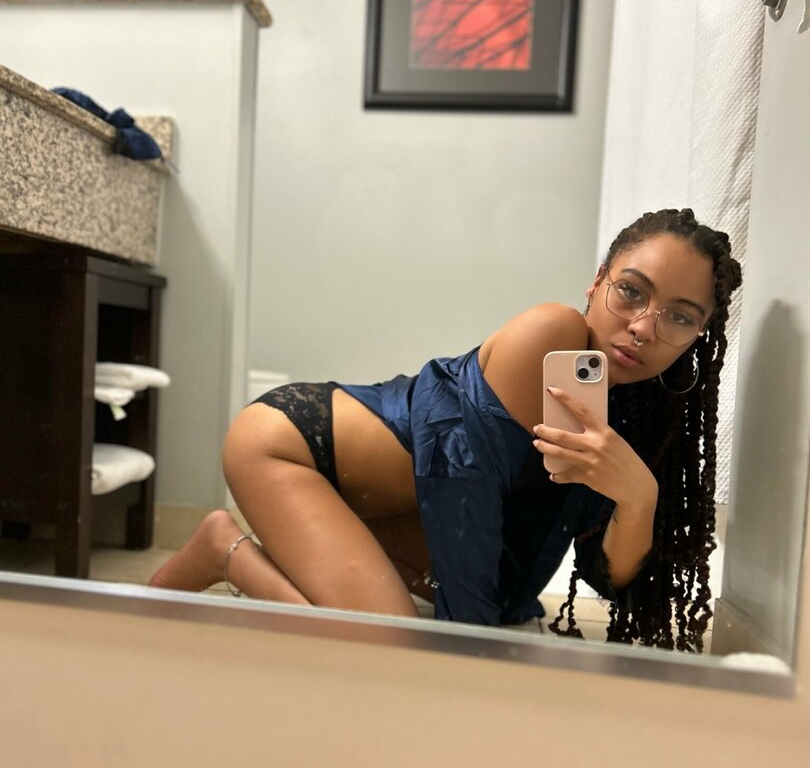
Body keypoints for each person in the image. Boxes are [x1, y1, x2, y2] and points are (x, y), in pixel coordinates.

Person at [149, 207, 742, 651]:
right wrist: (469, 648)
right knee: (399, 654)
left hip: (385, 498)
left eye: (678, 317)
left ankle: (260, 549)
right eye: (631, 292)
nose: (643, 326)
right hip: (292, 447)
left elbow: (605, 578)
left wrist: (639, 498)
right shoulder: (551, 332)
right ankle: (225, 552)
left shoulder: (638, 410)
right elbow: (461, 482)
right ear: (598, 281)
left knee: (411, 634)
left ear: (698, 336)